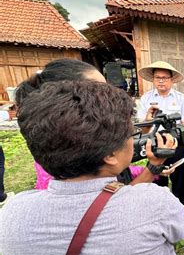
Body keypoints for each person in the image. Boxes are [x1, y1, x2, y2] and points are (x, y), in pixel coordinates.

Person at [0, 80, 184, 255]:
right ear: (109, 155)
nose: (138, 139)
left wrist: (153, 167)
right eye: (131, 134)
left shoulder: (13, 216)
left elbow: (109, 200)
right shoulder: (152, 202)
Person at [14, 59, 174, 188]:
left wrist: (151, 167)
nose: (110, 95)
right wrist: (151, 169)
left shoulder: (70, 141)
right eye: (99, 90)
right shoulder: (58, 175)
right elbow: (113, 200)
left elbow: (117, 170)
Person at [137, 61, 184, 204]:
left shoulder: (181, 99)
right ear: (153, 79)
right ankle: (159, 208)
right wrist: (149, 120)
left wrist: (174, 135)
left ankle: (179, 206)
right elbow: (142, 129)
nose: (161, 81)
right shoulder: (146, 99)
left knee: (178, 180)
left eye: (165, 78)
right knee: (157, 179)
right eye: (158, 77)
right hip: (154, 144)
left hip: (176, 144)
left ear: (171, 80)